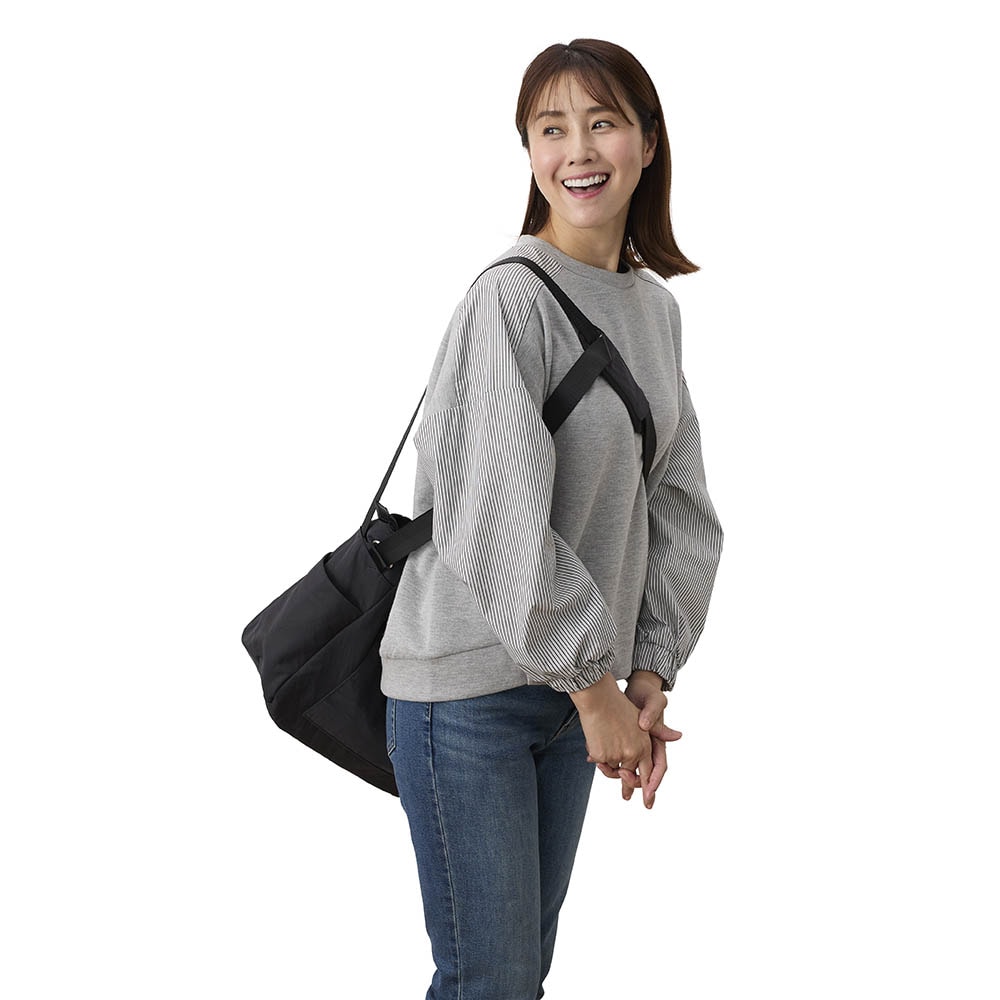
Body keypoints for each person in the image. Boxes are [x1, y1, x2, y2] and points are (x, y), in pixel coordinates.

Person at [379, 38, 724, 1000]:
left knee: (516, 978)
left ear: (647, 142)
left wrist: (647, 671)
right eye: (551, 128)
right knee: (489, 979)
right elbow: (497, 514)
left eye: (602, 123)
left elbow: (680, 504)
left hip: (577, 693)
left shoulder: (653, 311)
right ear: (528, 150)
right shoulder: (510, 299)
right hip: (469, 694)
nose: (578, 151)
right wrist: (593, 688)